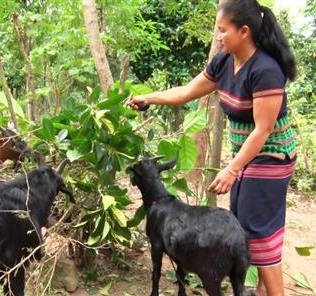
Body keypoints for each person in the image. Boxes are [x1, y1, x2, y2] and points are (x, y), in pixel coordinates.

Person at [127, 0, 297, 295]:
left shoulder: (265, 70)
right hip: (247, 156)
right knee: (244, 225)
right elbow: (187, 91)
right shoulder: (224, 62)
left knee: (259, 233)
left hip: (271, 156)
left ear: (244, 31)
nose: (218, 37)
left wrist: (232, 168)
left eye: (222, 31)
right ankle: (260, 291)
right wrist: (148, 98)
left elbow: (263, 129)